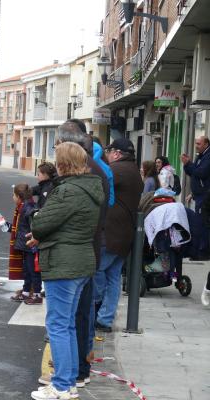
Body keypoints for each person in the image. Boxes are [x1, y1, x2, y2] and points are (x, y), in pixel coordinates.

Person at [28, 142, 104, 400]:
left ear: (63, 164)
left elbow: (42, 224)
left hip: (64, 263)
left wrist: (36, 219)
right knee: (68, 324)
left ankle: (60, 385)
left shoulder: (67, 191)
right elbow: (69, 223)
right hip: (82, 260)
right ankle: (69, 382)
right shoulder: (91, 187)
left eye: (57, 159)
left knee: (58, 325)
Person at [95, 138, 143, 333]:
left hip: (111, 233)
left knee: (97, 271)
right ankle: (105, 319)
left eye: (108, 152)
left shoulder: (116, 171)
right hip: (125, 234)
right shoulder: (134, 171)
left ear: (116, 153)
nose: (106, 155)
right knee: (113, 277)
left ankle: (96, 310)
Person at [9, 183, 42, 305]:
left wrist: (34, 236)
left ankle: (37, 295)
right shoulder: (24, 206)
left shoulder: (27, 208)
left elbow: (33, 222)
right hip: (26, 244)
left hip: (30, 245)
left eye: (13, 195)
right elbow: (21, 227)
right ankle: (26, 292)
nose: (12, 197)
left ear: (18, 196)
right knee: (27, 270)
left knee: (33, 271)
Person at [181, 136, 210, 214]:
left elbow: (201, 173)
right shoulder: (200, 155)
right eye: (196, 144)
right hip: (198, 196)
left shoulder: (208, 156)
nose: (196, 146)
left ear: (206, 144)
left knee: (202, 222)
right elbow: (193, 173)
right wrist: (186, 164)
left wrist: (189, 164)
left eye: (198, 144)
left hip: (205, 196)